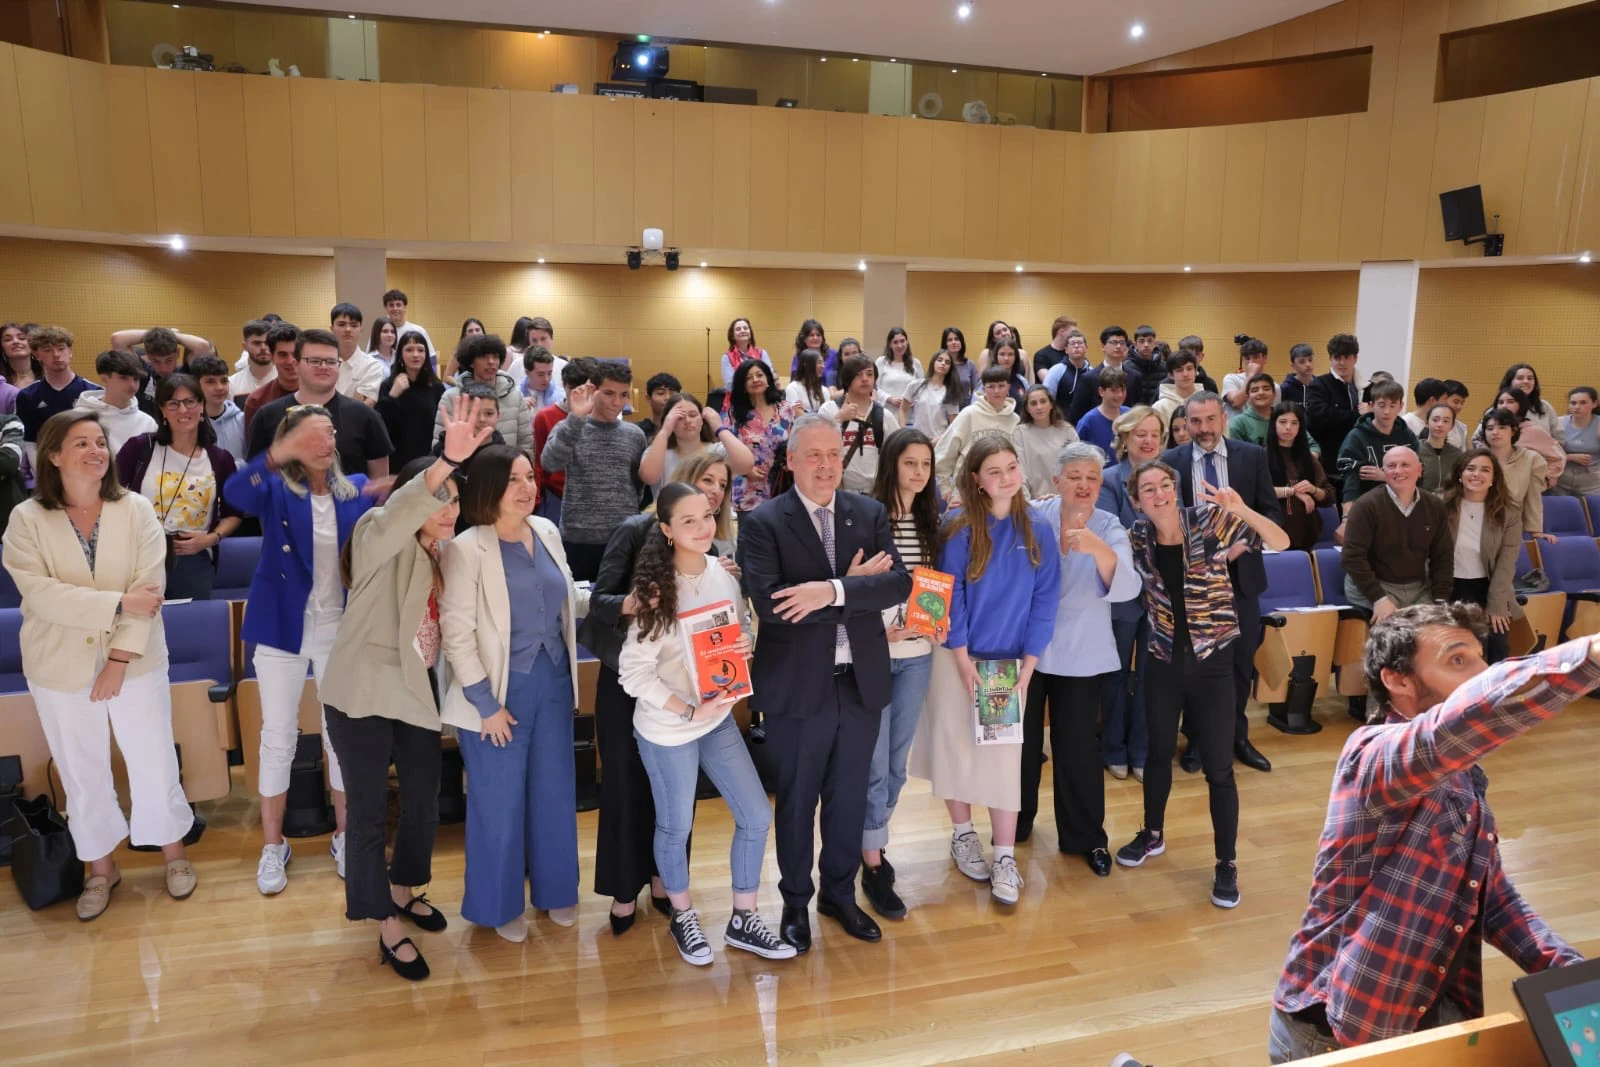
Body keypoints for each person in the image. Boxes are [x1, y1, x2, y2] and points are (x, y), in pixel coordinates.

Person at [1269, 606, 1596, 1061]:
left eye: (1481, 658)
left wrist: (1572, 976)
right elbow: (1460, 721)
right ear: (1397, 680)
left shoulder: (1464, 775)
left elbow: (1491, 898)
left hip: (1423, 1012)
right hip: (1339, 1029)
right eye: (1457, 660)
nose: (1482, 672)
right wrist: (1591, 654)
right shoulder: (1371, 756)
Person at [1, 410, 197, 921]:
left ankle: (174, 854)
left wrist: (117, 661)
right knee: (80, 770)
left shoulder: (136, 509)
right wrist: (118, 601)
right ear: (53, 455)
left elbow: (150, 591)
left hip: (135, 659)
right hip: (58, 664)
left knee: (153, 758)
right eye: (81, 443)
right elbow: (42, 596)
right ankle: (100, 868)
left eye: (100, 442)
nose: (96, 452)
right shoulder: (26, 519)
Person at [321, 402, 491, 982]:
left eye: (455, 500)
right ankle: (384, 921)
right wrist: (446, 461)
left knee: (423, 801)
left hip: (416, 693)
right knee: (369, 813)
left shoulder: (448, 551)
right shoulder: (378, 535)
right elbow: (398, 512)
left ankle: (403, 889)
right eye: (439, 497)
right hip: (362, 695)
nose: (449, 510)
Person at [736, 414, 912, 952]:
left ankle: (839, 895)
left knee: (849, 797)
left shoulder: (868, 512)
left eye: (834, 454)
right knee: (797, 801)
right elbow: (774, 605)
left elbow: (897, 584)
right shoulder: (763, 522)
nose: (826, 465)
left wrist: (829, 591)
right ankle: (795, 902)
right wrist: (851, 589)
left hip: (860, 683)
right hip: (796, 689)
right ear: (791, 460)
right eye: (813, 454)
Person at [617, 483, 796, 965]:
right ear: (666, 530)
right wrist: (686, 709)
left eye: (707, 516)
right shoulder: (656, 590)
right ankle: (682, 915)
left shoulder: (723, 574)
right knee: (676, 826)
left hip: (716, 719)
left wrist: (742, 646)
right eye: (688, 521)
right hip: (668, 728)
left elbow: (738, 630)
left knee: (756, 815)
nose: (702, 527)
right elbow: (633, 673)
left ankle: (743, 918)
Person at [1117, 461, 1289, 908]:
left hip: (1213, 663)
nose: (1159, 494)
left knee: (1219, 768)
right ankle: (1153, 833)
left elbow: (1280, 542)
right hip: (1162, 661)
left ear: (1176, 489)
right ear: (1137, 500)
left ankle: (1226, 862)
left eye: (1165, 485)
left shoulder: (1208, 520)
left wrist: (1241, 509)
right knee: (1158, 754)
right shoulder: (1137, 536)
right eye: (1148, 489)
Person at [225, 404, 377, 895]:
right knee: (277, 734)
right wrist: (276, 454)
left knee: (341, 735)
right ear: (290, 442)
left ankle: (345, 836)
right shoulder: (273, 488)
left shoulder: (354, 489)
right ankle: (274, 845)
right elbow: (233, 493)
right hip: (281, 626)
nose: (324, 442)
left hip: (339, 628)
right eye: (311, 435)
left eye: (329, 433)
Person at [580, 462, 737, 936]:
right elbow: (598, 601)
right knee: (625, 783)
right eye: (706, 481)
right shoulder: (634, 530)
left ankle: (665, 881)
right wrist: (633, 603)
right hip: (626, 678)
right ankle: (623, 890)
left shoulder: (711, 550)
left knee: (674, 793)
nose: (713, 494)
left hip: (682, 689)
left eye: (722, 486)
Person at [439, 445, 588, 941]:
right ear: (489, 488)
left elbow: (566, 597)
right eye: (514, 480)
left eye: (530, 477)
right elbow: (456, 635)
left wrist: (621, 600)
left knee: (555, 792)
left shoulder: (545, 531)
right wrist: (486, 705)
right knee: (498, 803)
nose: (527, 488)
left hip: (553, 682)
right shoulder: (466, 547)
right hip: (496, 694)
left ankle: (557, 891)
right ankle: (497, 906)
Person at [908, 436, 1059, 905]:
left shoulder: (1038, 528)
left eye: (1011, 467)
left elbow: (1045, 599)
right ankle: (962, 835)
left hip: (1005, 667)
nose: (1006, 478)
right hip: (956, 658)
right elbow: (949, 593)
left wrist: (1029, 665)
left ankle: (1005, 857)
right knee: (954, 748)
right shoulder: (957, 528)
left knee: (1003, 763)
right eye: (994, 471)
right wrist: (960, 658)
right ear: (976, 480)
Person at [1023, 442, 1139, 875]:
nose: (1085, 485)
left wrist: (1096, 547)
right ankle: (1013, 826)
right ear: (1057, 481)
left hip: (1080, 651)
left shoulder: (1109, 526)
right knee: (1019, 745)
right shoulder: (1034, 515)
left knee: (1077, 748)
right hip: (1024, 649)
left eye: (1093, 477)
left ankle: (1086, 837)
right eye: (1075, 477)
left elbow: (1127, 587)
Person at [1162, 392, 1279, 774]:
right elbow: (1163, 522)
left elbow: (1270, 512)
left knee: (1241, 664)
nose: (1203, 428)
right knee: (1199, 665)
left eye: (1210, 419)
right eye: (1195, 421)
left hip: (1241, 577)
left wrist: (1245, 543)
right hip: (1195, 582)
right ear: (1185, 423)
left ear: (1223, 418)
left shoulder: (1252, 456)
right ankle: (1198, 740)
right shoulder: (1171, 462)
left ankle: (1237, 738)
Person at [858, 428, 940, 920]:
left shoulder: (933, 521)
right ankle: (872, 859)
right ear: (892, 464)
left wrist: (931, 623)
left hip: (918, 653)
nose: (918, 473)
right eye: (910, 463)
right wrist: (878, 629)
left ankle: (872, 839)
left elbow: (936, 588)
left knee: (895, 766)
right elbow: (854, 584)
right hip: (873, 651)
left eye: (926, 464)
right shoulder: (868, 515)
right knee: (872, 765)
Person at [115, 374, 242, 601]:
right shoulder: (139, 448)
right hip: (140, 555)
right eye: (173, 403)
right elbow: (111, 497)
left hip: (193, 560)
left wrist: (211, 538)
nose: (183, 410)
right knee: (140, 618)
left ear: (201, 406)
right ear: (162, 410)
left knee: (192, 621)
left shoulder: (220, 459)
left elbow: (234, 514)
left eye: (190, 401)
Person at [1096, 406, 1165, 781]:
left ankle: (1142, 749)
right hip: (1123, 592)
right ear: (1124, 437)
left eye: (1155, 434)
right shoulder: (1109, 480)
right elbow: (1114, 537)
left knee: (1151, 676)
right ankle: (1113, 747)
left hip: (1160, 593)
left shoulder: (1168, 476)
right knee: (1117, 673)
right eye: (1141, 433)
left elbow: (1176, 529)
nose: (1149, 440)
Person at [540, 359, 649, 581]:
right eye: (609, 393)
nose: (616, 402)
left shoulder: (634, 435)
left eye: (623, 395)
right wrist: (576, 419)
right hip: (578, 539)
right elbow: (550, 463)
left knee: (622, 600)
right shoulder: (570, 427)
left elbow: (638, 487)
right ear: (593, 390)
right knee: (580, 600)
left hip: (623, 536)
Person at [247, 329, 393, 482]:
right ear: (296, 365)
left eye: (331, 361)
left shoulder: (365, 416)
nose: (323, 367)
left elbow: (379, 485)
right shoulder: (267, 417)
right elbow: (254, 479)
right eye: (314, 361)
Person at [1339, 447, 1453, 620]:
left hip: (1419, 588)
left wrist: (1440, 601)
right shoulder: (1366, 505)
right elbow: (1351, 557)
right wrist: (1379, 599)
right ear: (1384, 471)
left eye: (1405, 465)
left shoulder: (1435, 506)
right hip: (1375, 587)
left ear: (1419, 470)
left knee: (1433, 628)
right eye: (1391, 466)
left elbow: (1443, 557)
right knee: (1393, 630)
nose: (1398, 471)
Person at [1440, 449, 1520, 664]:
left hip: (1488, 588)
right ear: (1460, 474)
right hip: (1447, 587)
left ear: (1494, 478)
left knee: (1497, 648)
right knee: (1466, 652)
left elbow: (1506, 561)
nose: (1477, 474)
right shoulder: (1440, 505)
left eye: (1485, 470)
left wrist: (1496, 604)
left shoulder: (1508, 512)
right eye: (1471, 468)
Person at [432, 334, 534, 458]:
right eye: (484, 357)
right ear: (471, 362)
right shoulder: (451, 398)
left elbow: (526, 443)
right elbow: (439, 445)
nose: (491, 362)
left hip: (508, 466)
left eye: (495, 357)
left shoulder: (515, 396)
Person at [1335, 378, 1420, 520]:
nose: (1387, 411)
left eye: (1393, 405)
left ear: (1401, 406)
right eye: (1382, 405)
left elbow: (1418, 472)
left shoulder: (1407, 436)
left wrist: (1385, 476)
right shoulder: (1357, 436)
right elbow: (1350, 479)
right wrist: (1347, 516)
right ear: (1371, 405)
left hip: (1403, 506)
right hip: (1367, 507)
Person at [637, 392, 754, 490]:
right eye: (679, 417)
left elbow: (746, 465)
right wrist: (665, 430)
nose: (687, 421)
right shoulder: (658, 452)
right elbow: (649, 477)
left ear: (702, 420)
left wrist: (719, 427)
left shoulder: (717, 451)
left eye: (693, 415)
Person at [819, 356, 902, 494]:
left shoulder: (884, 415)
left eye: (869, 374)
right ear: (847, 379)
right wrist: (838, 419)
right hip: (836, 490)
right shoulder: (829, 410)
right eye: (858, 375)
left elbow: (899, 450)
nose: (865, 379)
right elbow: (815, 442)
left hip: (874, 492)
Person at [935, 364, 1021, 495]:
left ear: (1008, 387)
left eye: (1001, 386)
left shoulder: (1014, 420)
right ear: (984, 389)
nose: (996, 391)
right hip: (967, 489)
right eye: (991, 386)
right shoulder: (969, 414)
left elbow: (1020, 463)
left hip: (1003, 490)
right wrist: (944, 486)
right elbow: (945, 451)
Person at [728, 359, 798, 515]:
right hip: (748, 491)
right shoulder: (735, 414)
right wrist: (746, 469)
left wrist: (790, 463)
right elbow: (725, 450)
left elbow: (797, 443)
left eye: (759, 375)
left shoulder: (786, 409)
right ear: (742, 385)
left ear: (768, 379)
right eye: (748, 377)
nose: (755, 380)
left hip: (782, 487)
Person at [531, 357, 595, 527]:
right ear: (564, 386)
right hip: (556, 496)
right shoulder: (545, 416)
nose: (579, 394)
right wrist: (536, 501)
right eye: (573, 388)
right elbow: (537, 462)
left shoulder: (601, 419)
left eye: (585, 389)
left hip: (592, 496)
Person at [16, 326, 94, 458]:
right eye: (48, 350)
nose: (56, 355)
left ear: (70, 351)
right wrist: (41, 469)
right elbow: (29, 441)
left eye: (61, 348)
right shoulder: (27, 396)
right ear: (37, 355)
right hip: (47, 463)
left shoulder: (93, 392)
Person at [1265, 402, 1334, 551]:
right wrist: (1293, 491)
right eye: (1283, 422)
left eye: (1294, 423)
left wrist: (1313, 490)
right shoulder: (1261, 456)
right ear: (1274, 424)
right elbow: (1260, 491)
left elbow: (1329, 497)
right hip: (1272, 533)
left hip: (1306, 534)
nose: (1288, 427)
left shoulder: (1309, 459)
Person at [377, 329, 446, 472]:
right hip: (398, 460)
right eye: (409, 350)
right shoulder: (388, 385)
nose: (415, 355)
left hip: (429, 458)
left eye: (420, 350)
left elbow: (442, 424)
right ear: (400, 355)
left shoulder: (436, 386)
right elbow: (382, 426)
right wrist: (393, 395)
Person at [1478, 408, 1550, 541]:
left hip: (1510, 526)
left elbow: (1533, 498)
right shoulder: (1475, 458)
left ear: (1513, 431)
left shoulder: (1531, 459)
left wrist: (1536, 532)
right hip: (1476, 524)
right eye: (1490, 428)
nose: (1495, 432)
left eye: (1502, 427)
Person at [1305, 333, 1366, 486]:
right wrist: (1357, 415)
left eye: (1347, 357)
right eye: (1337, 358)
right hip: (1330, 463)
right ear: (1330, 359)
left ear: (1355, 358)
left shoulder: (1367, 387)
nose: (1342, 362)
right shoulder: (1319, 385)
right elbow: (1318, 418)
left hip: (1361, 461)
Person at [75, 349, 157, 458]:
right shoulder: (79, 417)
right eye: (123, 378)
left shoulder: (147, 422)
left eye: (136, 379)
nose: (132, 385)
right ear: (104, 378)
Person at [1479, 386, 1566, 485]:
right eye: (1500, 402)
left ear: (1521, 405)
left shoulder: (1533, 430)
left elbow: (1558, 457)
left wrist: (1545, 478)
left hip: (1523, 486)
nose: (1504, 406)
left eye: (1510, 402)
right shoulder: (1490, 428)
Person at [1018, 385, 1077, 499]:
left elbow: (1076, 465)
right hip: (1035, 501)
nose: (1039, 407)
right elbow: (1020, 472)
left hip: (1065, 499)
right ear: (1027, 409)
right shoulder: (1020, 433)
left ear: (1051, 404)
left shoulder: (1067, 430)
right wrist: (1028, 503)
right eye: (1033, 403)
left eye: (1043, 401)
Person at [242, 323, 299, 433]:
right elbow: (252, 443)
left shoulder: (320, 394)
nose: (290, 361)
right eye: (283, 354)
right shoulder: (256, 400)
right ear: (272, 357)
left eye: (295, 354)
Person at [189, 354, 246, 463]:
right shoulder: (188, 423)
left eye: (224, 381)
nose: (219, 387)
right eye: (210, 382)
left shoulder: (242, 420)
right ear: (195, 384)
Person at [903, 348, 966, 440]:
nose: (943, 363)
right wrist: (903, 431)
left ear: (950, 368)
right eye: (940, 360)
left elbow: (954, 424)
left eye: (947, 362)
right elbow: (902, 410)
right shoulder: (916, 385)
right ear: (933, 362)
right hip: (917, 439)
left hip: (938, 441)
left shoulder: (951, 392)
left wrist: (940, 439)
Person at [327, 303, 382, 406]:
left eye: (354, 325)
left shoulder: (372, 366)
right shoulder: (323, 363)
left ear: (361, 329)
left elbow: (366, 405)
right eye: (342, 324)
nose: (348, 329)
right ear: (332, 329)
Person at [1044, 329, 1098, 427]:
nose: (1076, 346)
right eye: (1072, 343)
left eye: (1080, 343)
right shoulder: (1056, 370)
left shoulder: (1092, 372)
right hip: (1061, 424)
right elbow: (1047, 398)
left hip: (1086, 424)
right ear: (1066, 349)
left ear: (1086, 347)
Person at [1555, 385, 1600, 496]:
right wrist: (1570, 457)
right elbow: (1548, 453)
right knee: (1563, 505)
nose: (1577, 407)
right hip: (1562, 477)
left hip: (1592, 479)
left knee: (1592, 506)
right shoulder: (1559, 423)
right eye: (1573, 403)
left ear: (1594, 404)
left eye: (1583, 403)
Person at [1495, 362, 1560, 436]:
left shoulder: (1544, 407)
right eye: (1520, 378)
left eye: (1530, 378)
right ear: (1510, 382)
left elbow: (1559, 436)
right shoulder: (1497, 409)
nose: (1526, 381)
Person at [875, 327, 923, 427]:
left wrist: (914, 400)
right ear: (890, 344)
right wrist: (889, 399)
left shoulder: (916, 363)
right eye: (895, 342)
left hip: (909, 418)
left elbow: (922, 390)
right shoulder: (881, 362)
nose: (900, 345)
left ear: (907, 342)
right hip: (887, 415)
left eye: (902, 341)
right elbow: (874, 388)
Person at [1074, 366, 1127, 453]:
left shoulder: (1130, 415)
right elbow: (1077, 453)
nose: (1119, 395)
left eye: (1123, 390)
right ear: (1101, 391)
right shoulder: (1088, 422)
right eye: (1113, 390)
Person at [1151, 347, 1202, 434]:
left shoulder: (1207, 403)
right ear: (1171, 375)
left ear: (1196, 371)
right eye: (1179, 370)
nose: (1185, 374)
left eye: (1189, 368)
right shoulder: (1159, 408)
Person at [1415, 402, 1463, 493]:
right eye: (1435, 420)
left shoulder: (1457, 455)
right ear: (1427, 422)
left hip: (1447, 500)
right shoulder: (1415, 449)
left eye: (1446, 421)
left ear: (1452, 426)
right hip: (1420, 499)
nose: (1440, 424)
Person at [1222, 338, 1273, 419]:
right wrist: (1250, 376)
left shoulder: (1273, 386)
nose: (1251, 362)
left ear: (1265, 358)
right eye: (1247, 358)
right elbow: (1236, 402)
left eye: (1255, 357)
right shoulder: (1231, 379)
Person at [1225, 372, 1280, 448]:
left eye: (1266, 389)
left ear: (1274, 394)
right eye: (1255, 390)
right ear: (1248, 397)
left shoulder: (1283, 418)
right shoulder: (1239, 423)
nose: (1261, 393)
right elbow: (1237, 453)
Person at [721, 317, 773, 393]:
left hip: (761, 396)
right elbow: (730, 385)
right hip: (738, 397)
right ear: (732, 335)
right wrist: (754, 387)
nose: (743, 331)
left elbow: (770, 376)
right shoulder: (726, 357)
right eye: (738, 329)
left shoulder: (762, 353)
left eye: (745, 328)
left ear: (750, 333)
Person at [229, 320, 275, 404]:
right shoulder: (232, 383)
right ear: (245, 347)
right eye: (257, 343)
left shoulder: (286, 380)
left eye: (267, 343)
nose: (263, 348)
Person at [381, 289, 434, 361]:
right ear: (386, 308)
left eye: (398, 305)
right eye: (391, 305)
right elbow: (370, 356)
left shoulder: (418, 330)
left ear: (405, 307)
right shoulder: (379, 332)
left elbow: (431, 357)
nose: (395, 308)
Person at [635, 372, 682, 442]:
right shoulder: (637, 431)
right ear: (648, 399)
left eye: (672, 394)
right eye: (661, 393)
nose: (667, 398)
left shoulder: (686, 427)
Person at [1031, 315, 1077, 385]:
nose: (1075, 336)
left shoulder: (1072, 354)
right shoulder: (1041, 355)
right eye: (1072, 333)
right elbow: (1048, 380)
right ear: (1061, 332)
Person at [520, 346, 565, 416]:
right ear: (527, 372)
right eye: (540, 374)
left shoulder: (562, 397)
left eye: (549, 373)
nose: (546, 379)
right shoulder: (515, 396)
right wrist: (518, 409)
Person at [2, 320, 40, 401]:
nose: (16, 341)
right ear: (2, 348)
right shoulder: (1, 382)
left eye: (22, 338)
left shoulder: (48, 376)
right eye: (8, 340)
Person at [988, 338, 1030, 410]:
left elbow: (1029, 406)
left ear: (1015, 357)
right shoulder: (987, 380)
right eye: (1002, 354)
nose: (1006, 358)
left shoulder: (1022, 381)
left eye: (1010, 354)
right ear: (996, 356)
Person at [941, 325, 979, 400]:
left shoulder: (970, 364)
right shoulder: (940, 363)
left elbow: (976, 390)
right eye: (950, 340)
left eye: (957, 339)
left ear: (961, 342)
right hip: (944, 405)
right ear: (945, 344)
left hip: (966, 406)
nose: (954, 342)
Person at [1278, 342, 1317, 412]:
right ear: (1293, 366)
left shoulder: (1320, 387)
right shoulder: (1284, 389)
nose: (1308, 364)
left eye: (1310, 360)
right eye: (1302, 362)